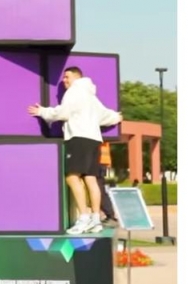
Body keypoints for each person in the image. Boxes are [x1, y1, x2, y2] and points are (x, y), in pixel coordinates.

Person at [28, 66, 122, 235]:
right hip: (94, 140)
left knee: (72, 177)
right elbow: (105, 116)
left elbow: (63, 113)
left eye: (67, 77)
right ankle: (95, 220)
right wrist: (116, 117)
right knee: (90, 178)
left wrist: (42, 111)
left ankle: (83, 218)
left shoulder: (74, 91)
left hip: (78, 138)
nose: (64, 80)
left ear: (77, 78)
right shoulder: (91, 96)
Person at [97, 141, 117, 226]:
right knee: (102, 191)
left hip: (99, 162)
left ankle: (110, 215)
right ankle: (110, 215)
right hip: (105, 163)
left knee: (99, 191)